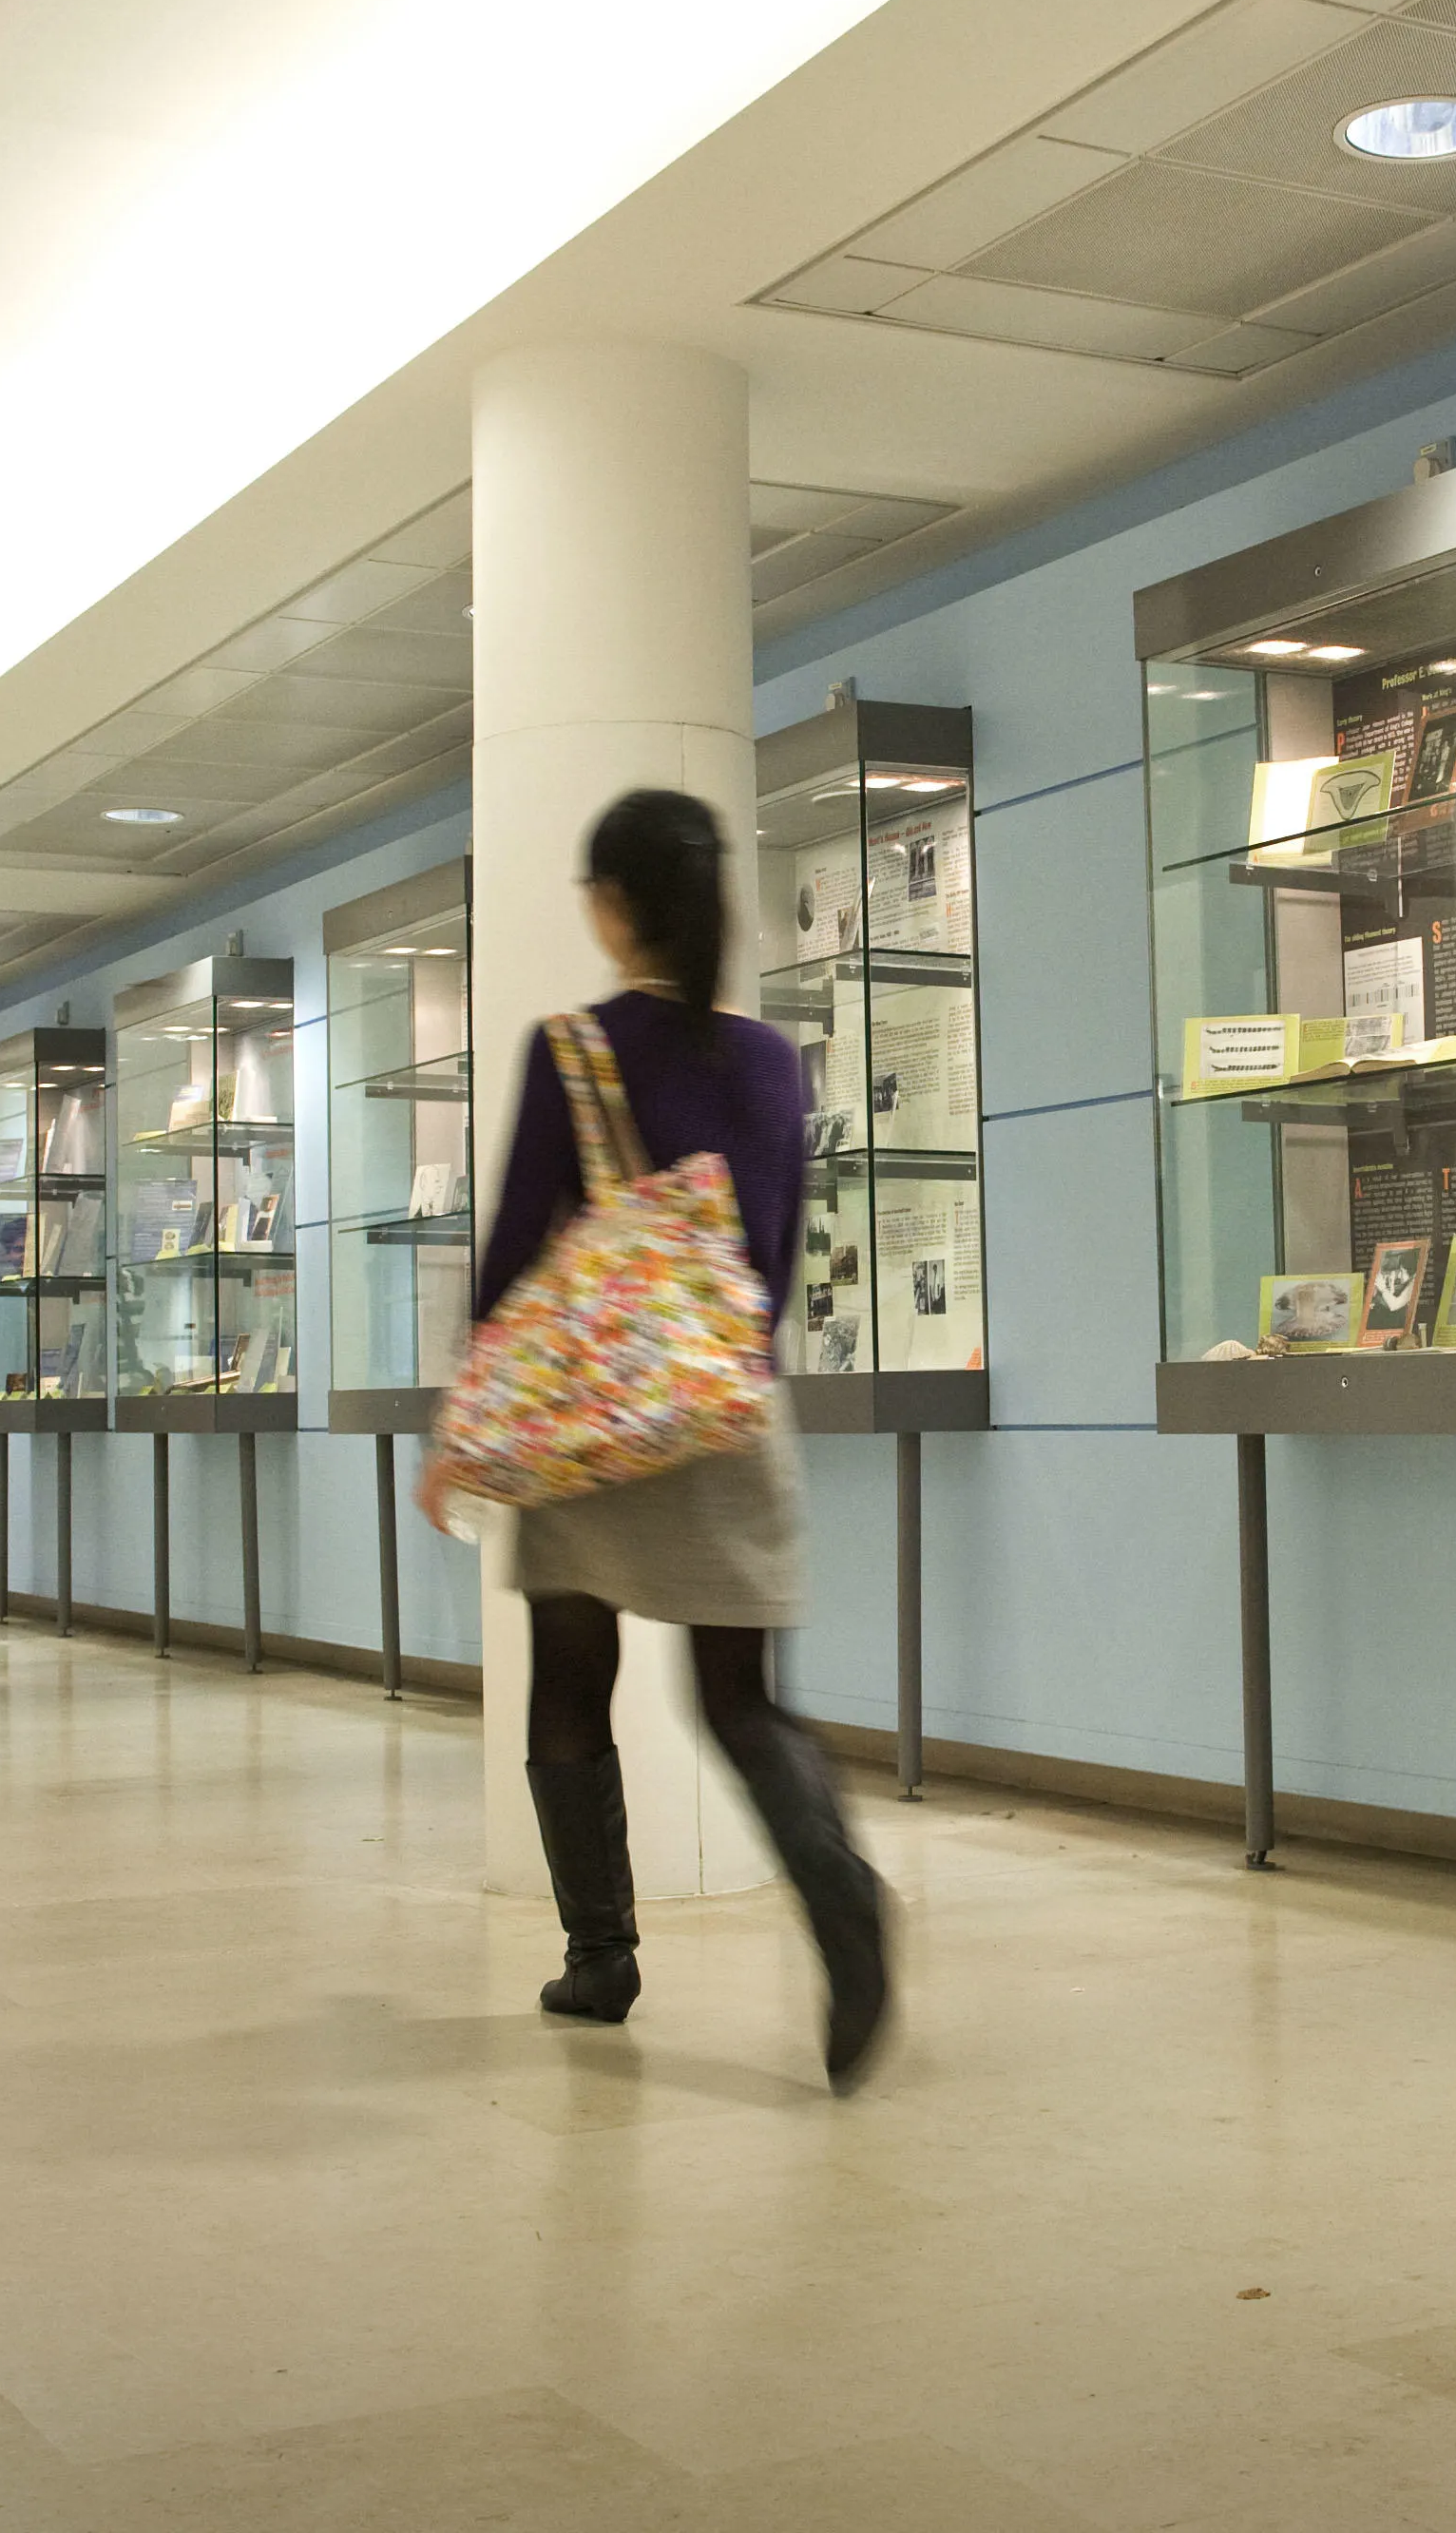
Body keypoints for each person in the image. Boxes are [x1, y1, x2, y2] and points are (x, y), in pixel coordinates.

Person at [424, 787, 891, 2093]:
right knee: (739, 1696)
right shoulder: (771, 1060)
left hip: (591, 1430)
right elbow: (778, 1255)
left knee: (571, 1680)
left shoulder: (572, 1046)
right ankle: (842, 1903)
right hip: (726, 1411)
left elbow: (517, 1255)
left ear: (613, 903)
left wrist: (468, 1424)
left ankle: (601, 1958)